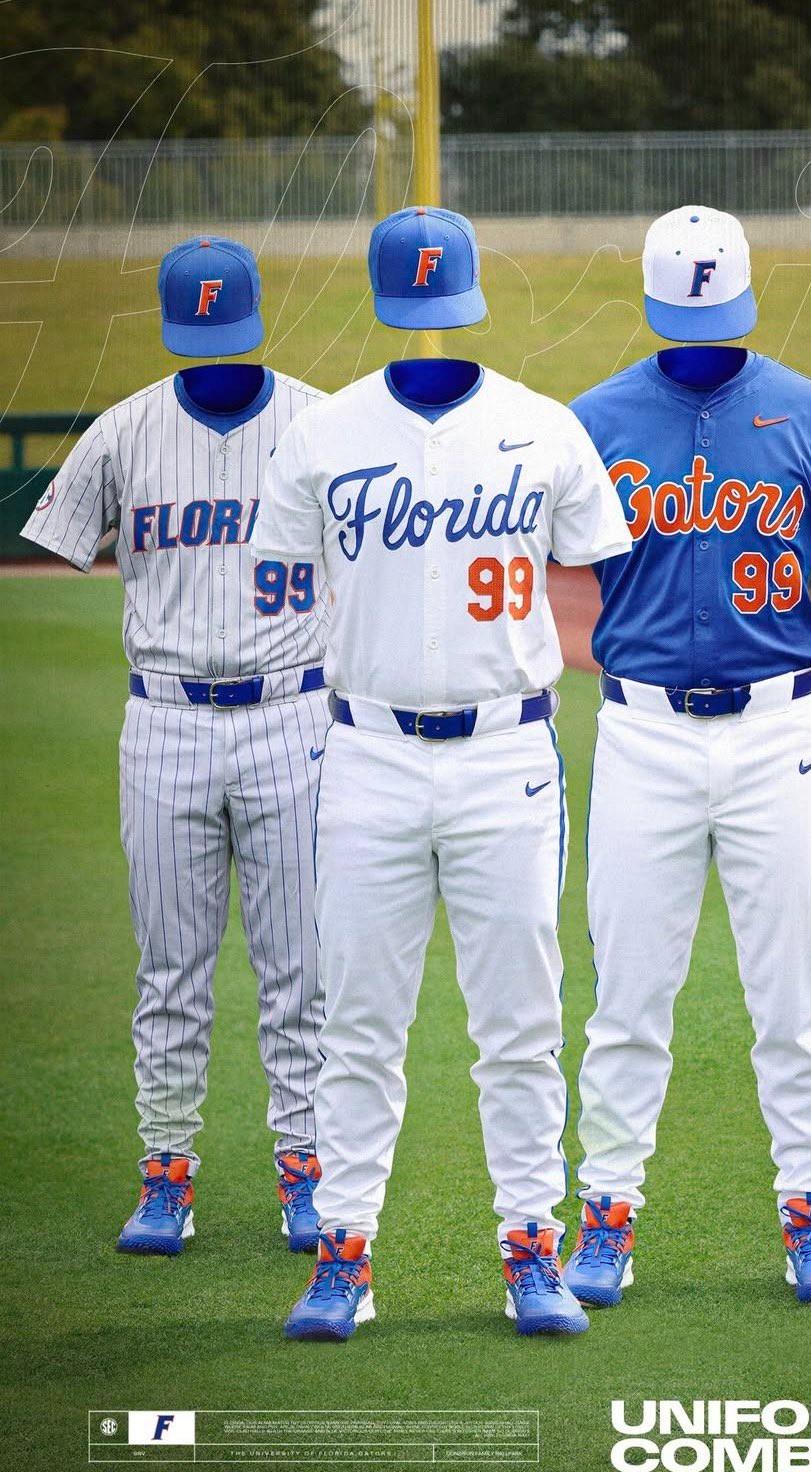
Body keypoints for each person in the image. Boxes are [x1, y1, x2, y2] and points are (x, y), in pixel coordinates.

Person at [253, 207, 633, 1341]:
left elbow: (599, 556)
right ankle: (345, 1253)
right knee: (358, 1023)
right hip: (366, 750)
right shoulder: (322, 434)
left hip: (507, 753)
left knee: (519, 1022)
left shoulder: (543, 427)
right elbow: (281, 576)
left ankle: (530, 1249)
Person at [563, 206, 811, 1310]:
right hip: (643, 733)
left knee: (793, 1001)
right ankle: (606, 1219)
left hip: (778, 735)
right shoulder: (591, 422)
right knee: (628, 999)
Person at [21, 236, 329, 1255]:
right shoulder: (123, 431)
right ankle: (166, 1171)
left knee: (299, 970)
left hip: (293, 716)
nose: (214, 351)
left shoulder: (321, 425)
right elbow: (56, 542)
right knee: (170, 970)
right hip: (164, 722)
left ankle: (306, 1168)